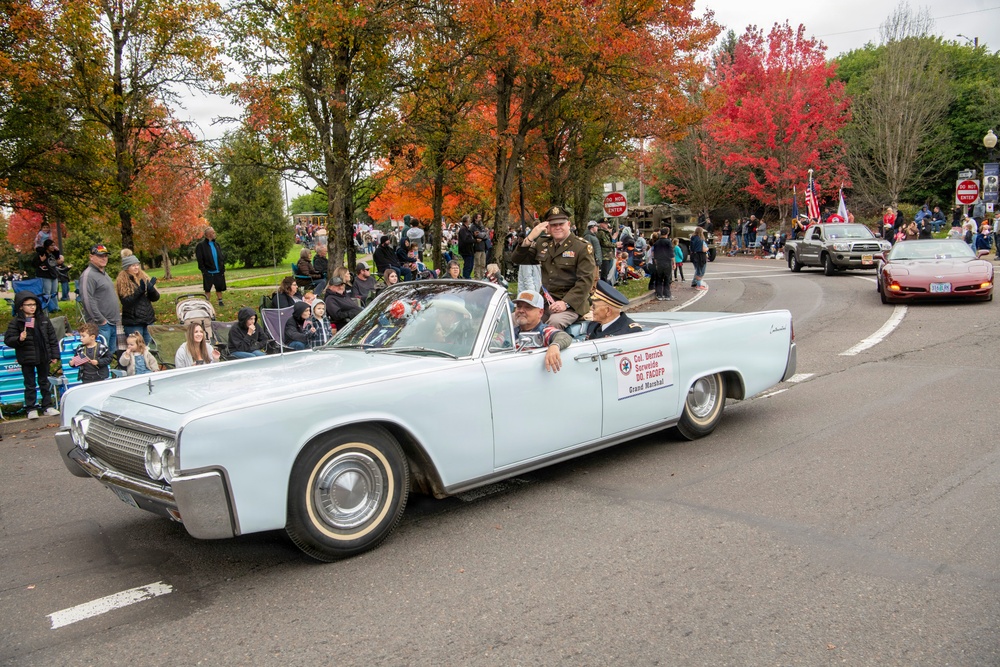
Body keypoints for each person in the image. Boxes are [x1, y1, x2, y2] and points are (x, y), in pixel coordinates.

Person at [511, 206, 598, 330]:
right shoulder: (543, 243)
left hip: (572, 304)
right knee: (515, 319)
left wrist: (565, 303)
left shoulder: (581, 247)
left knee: (553, 324)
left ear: (568, 224)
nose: (557, 227)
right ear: (548, 227)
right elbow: (517, 259)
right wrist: (530, 237)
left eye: (561, 224)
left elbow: (585, 281)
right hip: (546, 301)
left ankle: (550, 348)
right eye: (553, 225)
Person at [4, 292, 61, 418]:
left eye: (34, 304)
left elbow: (52, 338)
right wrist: (19, 338)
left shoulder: (43, 320)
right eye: (28, 305)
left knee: (44, 382)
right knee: (30, 384)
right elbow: (8, 339)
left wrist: (54, 355)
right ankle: (31, 408)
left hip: (43, 356)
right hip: (27, 358)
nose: (32, 307)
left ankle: (47, 406)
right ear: (20, 306)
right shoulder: (16, 322)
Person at [510, 290, 572, 373]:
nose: (521, 310)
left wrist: (554, 346)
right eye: (519, 306)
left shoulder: (544, 331)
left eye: (528, 307)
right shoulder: (511, 333)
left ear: (540, 313)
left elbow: (563, 336)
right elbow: (495, 343)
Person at [78, 244, 120, 353]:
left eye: (105, 256)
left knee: (108, 358)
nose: (104, 258)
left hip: (112, 323)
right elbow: (87, 300)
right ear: (91, 257)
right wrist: (101, 321)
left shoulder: (104, 274)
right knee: (99, 358)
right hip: (100, 325)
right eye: (100, 256)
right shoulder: (88, 275)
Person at [116, 249, 159, 345]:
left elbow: (155, 298)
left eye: (137, 265)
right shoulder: (122, 281)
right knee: (137, 349)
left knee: (148, 348)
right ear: (127, 267)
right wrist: (140, 291)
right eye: (133, 265)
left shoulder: (143, 276)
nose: (136, 267)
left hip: (148, 319)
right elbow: (126, 301)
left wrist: (152, 290)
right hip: (133, 322)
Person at [195, 227, 227, 307]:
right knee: (207, 288)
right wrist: (204, 271)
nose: (214, 234)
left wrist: (222, 267)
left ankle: (220, 301)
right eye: (213, 233)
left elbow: (220, 256)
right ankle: (207, 303)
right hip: (208, 271)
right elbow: (200, 260)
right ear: (208, 235)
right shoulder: (201, 246)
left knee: (219, 287)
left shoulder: (216, 244)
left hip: (218, 271)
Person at [650, 228, 674, 302]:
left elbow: (655, 255)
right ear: (667, 234)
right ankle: (667, 294)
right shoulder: (668, 242)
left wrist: (656, 263)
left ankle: (659, 294)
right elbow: (671, 253)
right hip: (667, 262)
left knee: (659, 279)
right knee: (667, 278)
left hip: (659, 262)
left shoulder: (657, 243)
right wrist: (674, 263)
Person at [33, 239, 59, 305]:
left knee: (54, 292)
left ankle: (55, 307)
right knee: (47, 292)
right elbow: (34, 264)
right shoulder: (41, 254)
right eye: (51, 245)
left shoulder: (53, 254)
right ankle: (46, 307)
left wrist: (57, 252)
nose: (53, 247)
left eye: (54, 245)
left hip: (53, 275)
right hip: (45, 276)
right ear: (47, 246)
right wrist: (41, 260)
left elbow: (57, 259)